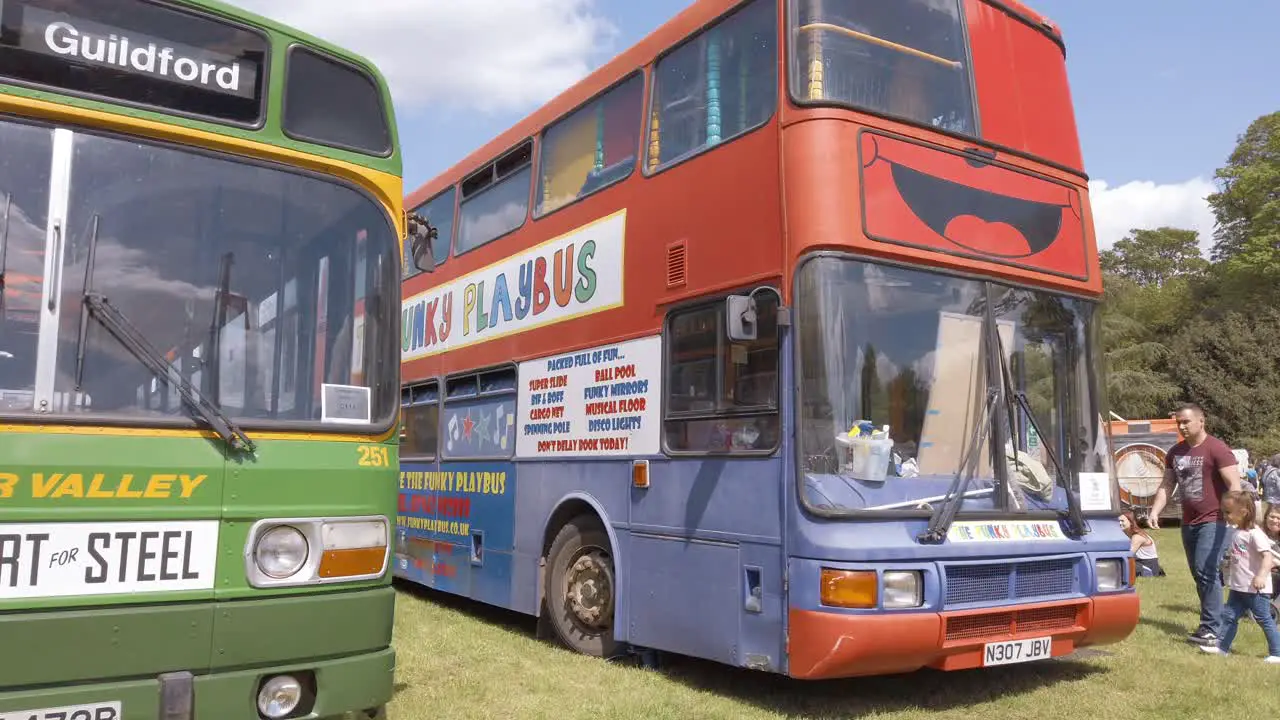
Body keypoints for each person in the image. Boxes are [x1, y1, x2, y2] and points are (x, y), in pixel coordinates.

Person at [1148, 403, 1243, 647]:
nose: (1182, 426)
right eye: (1178, 422)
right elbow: (1167, 485)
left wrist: (1237, 516)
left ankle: (1213, 628)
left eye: (1186, 422)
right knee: (1198, 574)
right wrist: (1155, 510)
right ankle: (1212, 624)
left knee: (1206, 570)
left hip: (1216, 520)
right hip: (1189, 522)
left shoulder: (1217, 449)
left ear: (1202, 421)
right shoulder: (1175, 452)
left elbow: (1235, 486)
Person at [1198, 491, 1280, 663]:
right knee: (1229, 616)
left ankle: (1277, 653)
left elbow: (1268, 557)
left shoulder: (1255, 534)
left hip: (1255, 588)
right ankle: (1222, 648)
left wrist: (1261, 576)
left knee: (1264, 619)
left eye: (1228, 512)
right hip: (1239, 586)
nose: (1225, 516)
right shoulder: (1237, 532)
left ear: (1243, 512)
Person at [1120, 511, 1164, 577]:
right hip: (1140, 562)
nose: (1120, 523)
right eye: (1118, 521)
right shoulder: (1127, 535)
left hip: (1148, 565)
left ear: (1131, 522)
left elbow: (1128, 555)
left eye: (1122, 521)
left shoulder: (1137, 537)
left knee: (1120, 565)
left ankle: (1146, 572)